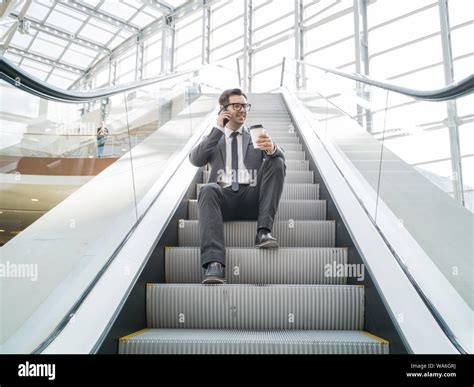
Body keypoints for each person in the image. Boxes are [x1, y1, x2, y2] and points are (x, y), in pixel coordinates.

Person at [189, 88, 286, 284]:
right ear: (223, 109)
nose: (243, 110)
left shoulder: (256, 135)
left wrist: (273, 148)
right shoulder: (214, 139)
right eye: (237, 106)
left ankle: (264, 232)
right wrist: (217, 130)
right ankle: (214, 264)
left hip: (253, 198)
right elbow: (195, 159)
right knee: (208, 189)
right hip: (223, 199)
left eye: (245, 106)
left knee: (277, 161)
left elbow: (279, 158)